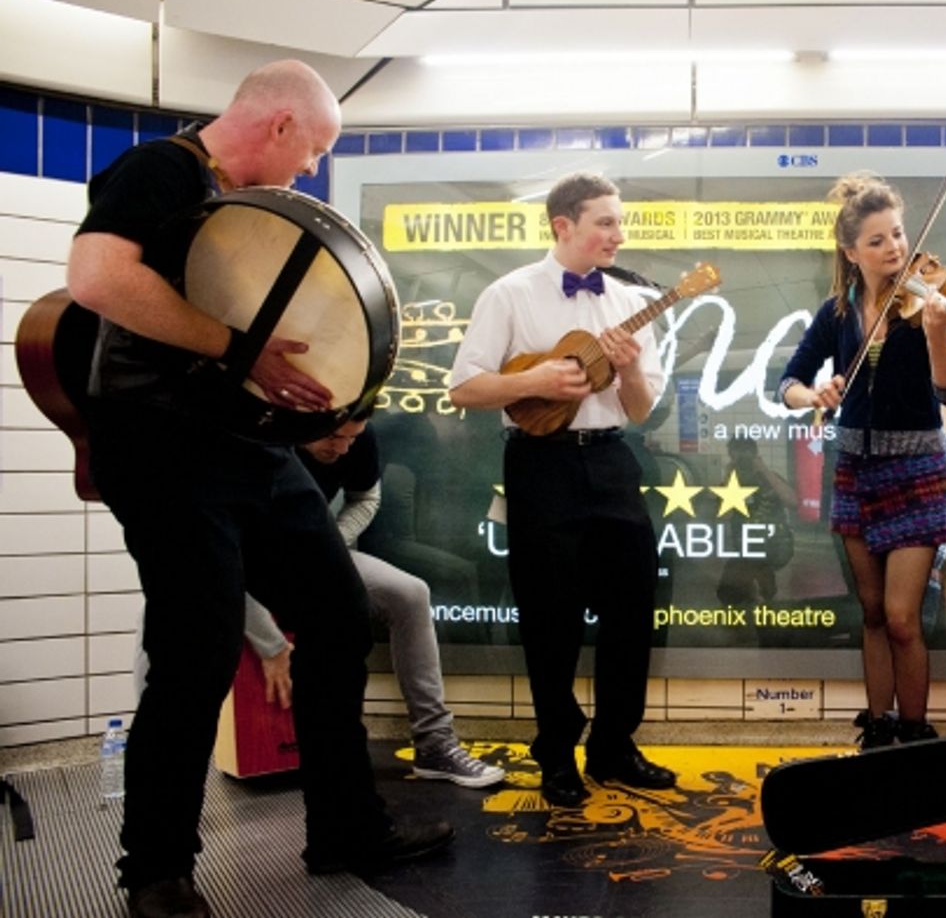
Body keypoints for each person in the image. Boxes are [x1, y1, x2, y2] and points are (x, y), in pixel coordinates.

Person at [65, 60, 452, 918]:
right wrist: (242, 350)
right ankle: (157, 871)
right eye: (311, 149)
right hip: (161, 449)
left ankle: (344, 826)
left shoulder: (250, 210)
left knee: (341, 615)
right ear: (278, 125)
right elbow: (95, 277)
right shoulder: (160, 170)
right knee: (197, 645)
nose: (309, 168)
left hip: (243, 448)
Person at [447, 172, 675, 808]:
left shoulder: (629, 302)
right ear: (563, 226)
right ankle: (556, 752)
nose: (618, 235)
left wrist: (629, 368)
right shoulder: (509, 294)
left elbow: (640, 408)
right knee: (551, 618)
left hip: (611, 462)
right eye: (605, 221)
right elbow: (464, 387)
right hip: (540, 466)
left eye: (619, 222)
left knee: (632, 612)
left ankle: (614, 745)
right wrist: (538, 381)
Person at [777, 172, 946, 749]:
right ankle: (878, 727)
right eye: (879, 240)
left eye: (899, 235)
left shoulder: (929, 303)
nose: (895, 249)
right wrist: (814, 396)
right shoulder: (837, 312)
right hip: (855, 469)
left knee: (903, 615)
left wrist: (938, 334)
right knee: (872, 610)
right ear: (851, 250)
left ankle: (915, 731)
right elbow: (784, 382)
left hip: (917, 472)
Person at [242, 412, 505, 788]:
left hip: (316, 548)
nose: (343, 447)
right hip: (248, 562)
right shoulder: (262, 446)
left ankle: (434, 744)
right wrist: (270, 644)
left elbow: (366, 497)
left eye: (353, 437)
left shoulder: (356, 441)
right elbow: (220, 562)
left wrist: (327, 542)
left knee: (411, 594)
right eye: (333, 436)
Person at [714, 437, 798, 608]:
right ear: (731, 457)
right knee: (727, 595)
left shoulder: (770, 478)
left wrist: (765, 471)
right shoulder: (730, 483)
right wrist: (729, 479)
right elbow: (723, 516)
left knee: (755, 564)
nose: (744, 461)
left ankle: (761, 584)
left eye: (748, 456)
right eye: (738, 457)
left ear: (756, 455)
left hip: (775, 545)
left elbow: (793, 502)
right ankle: (754, 586)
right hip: (746, 548)